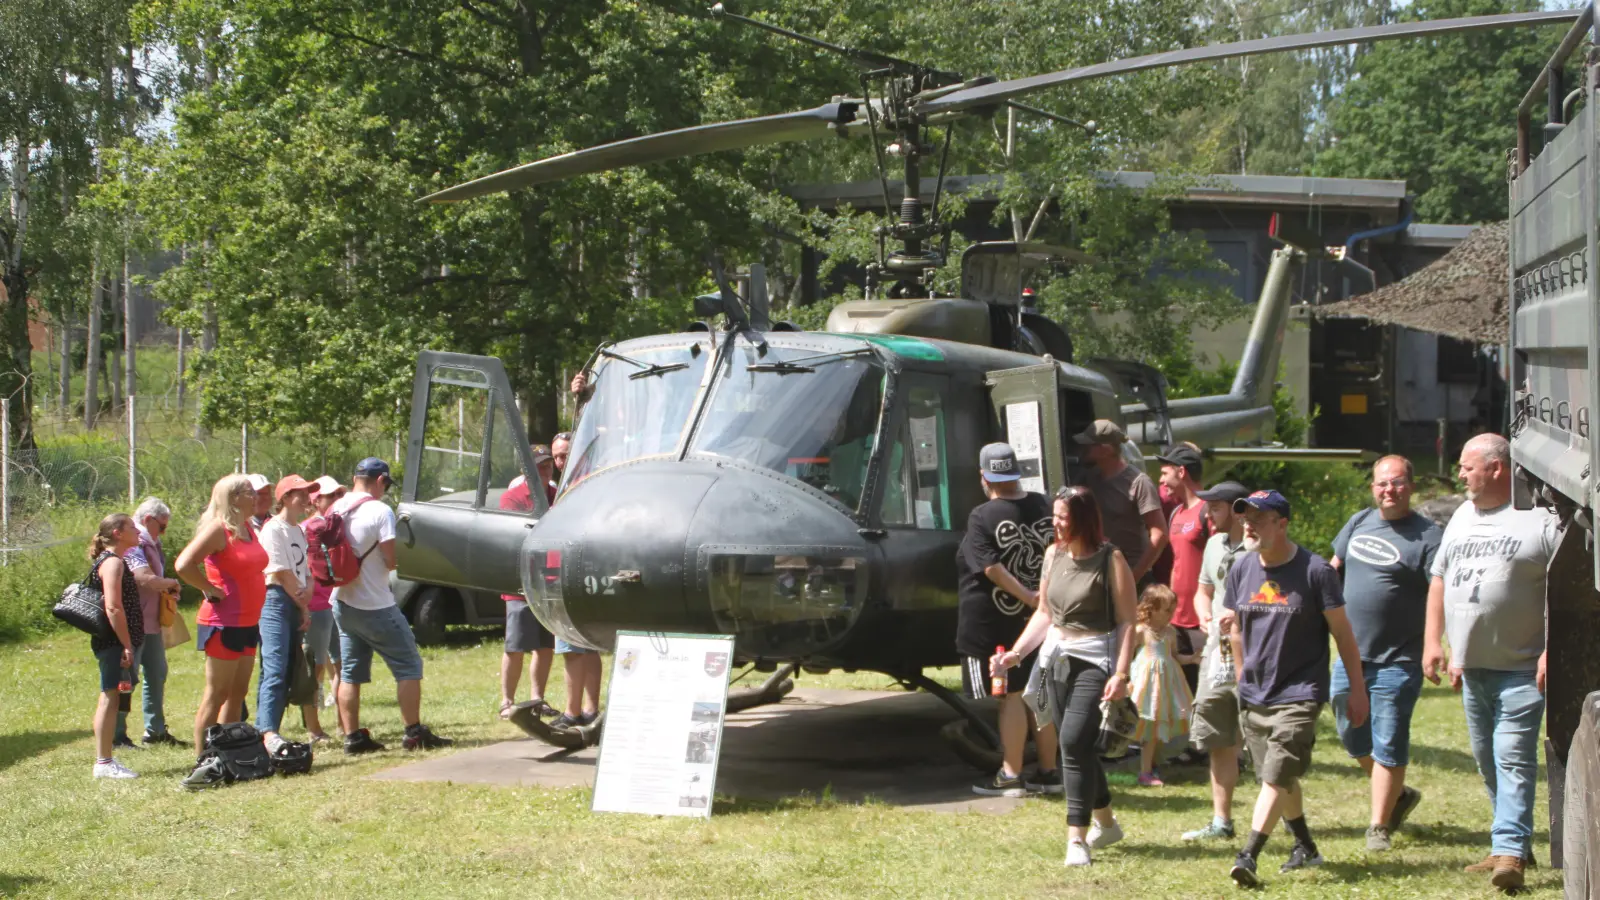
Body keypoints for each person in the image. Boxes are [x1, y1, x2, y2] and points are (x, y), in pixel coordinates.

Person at [1423, 433, 1557, 892]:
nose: (1460, 474)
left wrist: (1551, 647)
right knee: (1487, 761)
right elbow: (1440, 579)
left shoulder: (1541, 522)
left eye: (1467, 466)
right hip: (1472, 667)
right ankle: (1514, 842)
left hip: (1520, 667)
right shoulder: (1461, 515)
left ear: (1497, 469)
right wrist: (1434, 643)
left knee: (1512, 759)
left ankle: (1510, 855)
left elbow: (1566, 591)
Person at [1222, 489, 1368, 888]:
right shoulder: (1241, 568)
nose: (1248, 525)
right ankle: (1305, 846)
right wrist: (1240, 674)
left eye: (1258, 518)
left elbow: (1343, 634)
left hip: (1300, 691)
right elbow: (1235, 627)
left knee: (1276, 773)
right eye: (1245, 518)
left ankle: (1248, 855)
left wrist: (1358, 689)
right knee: (1280, 777)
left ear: (1282, 524)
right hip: (1254, 693)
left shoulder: (1315, 571)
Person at [992, 486, 1137, 867]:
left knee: (1071, 741)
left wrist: (1121, 672)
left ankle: (1077, 838)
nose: (1055, 523)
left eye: (1063, 516)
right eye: (1054, 515)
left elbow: (1127, 622)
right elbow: (1043, 612)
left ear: (1084, 519)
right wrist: (1016, 654)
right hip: (1056, 657)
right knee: (1078, 748)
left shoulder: (1111, 559)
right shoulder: (1052, 554)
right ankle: (1106, 823)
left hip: (1096, 659)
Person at [1329, 455, 1441, 851]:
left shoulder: (1428, 536)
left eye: (1396, 483)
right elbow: (1334, 567)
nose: (1388, 490)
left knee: (1388, 737)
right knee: (1349, 731)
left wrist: (1434, 644)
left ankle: (1378, 825)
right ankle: (1400, 793)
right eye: (1380, 483)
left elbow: (1438, 595)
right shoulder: (1359, 521)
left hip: (1399, 656)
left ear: (1410, 486)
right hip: (1350, 655)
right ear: (1372, 487)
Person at [329, 458, 453, 753]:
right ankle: (413, 732)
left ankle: (353, 738)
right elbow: (390, 560)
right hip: (375, 605)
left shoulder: (336, 507)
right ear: (381, 480)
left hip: (342, 603)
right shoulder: (380, 511)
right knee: (409, 665)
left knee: (349, 673)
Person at [956, 443, 1057, 796]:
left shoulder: (982, 516)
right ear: (1016, 473)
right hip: (1044, 622)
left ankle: (1012, 775)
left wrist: (1030, 597)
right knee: (1040, 693)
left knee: (1011, 696)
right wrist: (1045, 599)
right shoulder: (1047, 505)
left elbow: (992, 569)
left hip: (1000, 621)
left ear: (985, 477)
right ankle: (1050, 771)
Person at [175, 474, 268, 754]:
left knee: (238, 694)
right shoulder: (219, 530)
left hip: (249, 620)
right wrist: (209, 588)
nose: (257, 498)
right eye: (250, 493)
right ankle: (203, 757)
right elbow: (183, 564)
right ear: (233, 498)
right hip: (223, 622)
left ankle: (229, 751)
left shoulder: (249, 529)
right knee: (217, 694)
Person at [1181, 480, 1252, 842]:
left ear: (1238, 510)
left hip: (1256, 652)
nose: (1209, 516)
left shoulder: (1259, 546)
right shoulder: (1212, 544)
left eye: (1216, 509)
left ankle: (1287, 817)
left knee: (1264, 733)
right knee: (1217, 728)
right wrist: (1205, 615)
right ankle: (1222, 822)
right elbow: (1203, 591)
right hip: (1217, 651)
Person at [257, 475, 329, 749]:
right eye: (301, 493)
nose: (307, 498)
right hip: (276, 599)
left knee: (287, 668)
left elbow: (305, 570)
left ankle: (265, 729)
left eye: (308, 493)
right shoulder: (273, 529)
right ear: (285, 497)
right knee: (274, 667)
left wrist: (307, 593)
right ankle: (268, 733)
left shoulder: (298, 530)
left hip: (296, 600)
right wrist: (302, 603)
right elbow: (279, 570)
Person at [116, 497, 185, 748]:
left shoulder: (152, 542)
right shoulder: (133, 543)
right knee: (127, 678)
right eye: (162, 526)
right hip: (132, 623)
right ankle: (117, 735)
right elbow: (143, 577)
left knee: (157, 673)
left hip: (152, 622)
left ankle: (155, 731)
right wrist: (170, 584)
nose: (164, 531)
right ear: (148, 520)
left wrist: (167, 588)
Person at [1073, 419, 1167, 586]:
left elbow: (1160, 534)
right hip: (1100, 572)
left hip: (1131, 574)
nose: (1083, 449)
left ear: (1105, 450)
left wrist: (1135, 575)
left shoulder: (1138, 482)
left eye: (1089, 445)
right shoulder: (1090, 478)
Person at [87, 513, 144, 779]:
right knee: (109, 697)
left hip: (116, 641)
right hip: (114, 641)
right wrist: (126, 644)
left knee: (113, 696)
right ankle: (104, 762)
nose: (138, 531)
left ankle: (105, 760)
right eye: (133, 527)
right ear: (119, 533)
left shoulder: (115, 561)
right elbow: (113, 606)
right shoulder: (112, 563)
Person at [500, 462, 554, 721]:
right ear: (525, 469)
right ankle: (507, 701)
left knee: (545, 646)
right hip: (520, 583)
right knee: (515, 645)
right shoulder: (512, 497)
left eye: (547, 465)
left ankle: (537, 700)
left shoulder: (558, 495)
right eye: (538, 466)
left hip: (550, 580)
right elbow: (513, 536)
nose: (544, 470)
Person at [1129, 584, 1196, 787]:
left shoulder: (1170, 632)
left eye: (1172, 610)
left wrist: (1192, 658)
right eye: (1167, 610)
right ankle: (1145, 771)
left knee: (1161, 726)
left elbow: (1174, 657)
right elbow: (1127, 654)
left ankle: (1152, 764)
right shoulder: (1141, 631)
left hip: (1167, 684)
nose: (1170, 615)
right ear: (1151, 608)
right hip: (1148, 685)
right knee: (1151, 726)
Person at [1156, 445, 1209, 692]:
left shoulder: (1209, 511)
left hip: (1203, 622)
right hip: (1176, 620)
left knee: (1206, 692)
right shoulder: (1176, 512)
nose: (1161, 480)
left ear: (1181, 471)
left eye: (1165, 473)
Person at [306, 476, 345, 717]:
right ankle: (313, 724)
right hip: (316, 605)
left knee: (343, 666)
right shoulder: (305, 530)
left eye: (340, 495)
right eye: (331, 496)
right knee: (316, 667)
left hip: (340, 602)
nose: (336, 500)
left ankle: (344, 723)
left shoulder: (340, 528)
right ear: (316, 500)